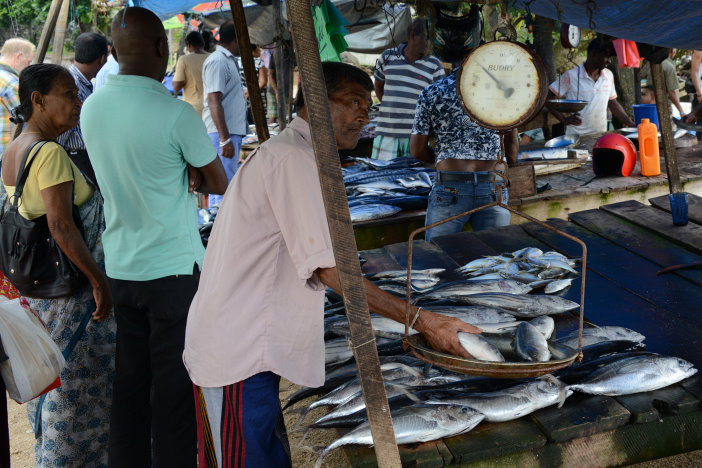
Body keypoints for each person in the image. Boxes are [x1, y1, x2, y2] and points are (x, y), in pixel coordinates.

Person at [183, 61, 479, 467]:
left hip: (250, 343)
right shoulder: (294, 160)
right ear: (317, 102)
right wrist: (423, 320)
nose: (363, 115)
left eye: (368, 106)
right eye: (353, 102)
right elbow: (329, 270)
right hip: (237, 352)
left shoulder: (298, 153)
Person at [80, 7, 227, 468]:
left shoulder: (92, 106)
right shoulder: (175, 113)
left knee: (130, 382)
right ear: (163, 49)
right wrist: (191, 174)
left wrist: (183, 171)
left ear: (113, 53)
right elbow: (218, 180)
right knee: (173, 390)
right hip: (172, 271)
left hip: (121, 263)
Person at [0, 63, 115, 467]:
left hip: (43, 299)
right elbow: (61, 226)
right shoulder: (48, 152)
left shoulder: (15, 147)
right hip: (72, 297)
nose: (77, 101)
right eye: (67, 94)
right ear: (38, 101)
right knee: (75, 398)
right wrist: (99, 281)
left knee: (55, 388)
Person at [410, 55, 519, 241]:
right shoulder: (504, 93)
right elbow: (512, 151)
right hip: (493, 186)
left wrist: (444, 158)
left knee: (437, 258)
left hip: (450, 185)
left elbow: (417, 150)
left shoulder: (432, 91)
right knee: (493, 260)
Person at [373, 18, 445, 160]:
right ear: (413, 35)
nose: (430, 44)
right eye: (427, 39)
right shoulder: (387, 56)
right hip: (386, 134)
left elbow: (440, 102)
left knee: (412, 178)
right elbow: (379, 88)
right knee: (381, 176)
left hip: (416, 138)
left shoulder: (434, 65)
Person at [547, 38, 634, 136]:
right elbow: (549, 97)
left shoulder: (609, 75)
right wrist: (563, 119)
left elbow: (612, 103)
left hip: (600, 135)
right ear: (594, 54)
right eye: (606, 56)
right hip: (576, 137)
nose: (609, 61)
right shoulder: (571, 76)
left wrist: (630, 123)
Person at [201, 20, 248, 207]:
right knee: (222, 188)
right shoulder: (218, 61)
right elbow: (213, 100)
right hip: (221, 134)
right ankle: (217, 230)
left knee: (226, 186)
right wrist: (224, 138)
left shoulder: (227, 60)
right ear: (237, 40)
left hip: (228, 133)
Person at [57, 32, 107, 187]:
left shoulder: (79, 81)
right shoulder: (71, 84)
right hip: (74, 157)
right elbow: (61, 130)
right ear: (102, 59)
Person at [0, 38, 34, 156]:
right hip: (5, 148)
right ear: (18, 56)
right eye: (28, 62)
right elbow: (27, 117)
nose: (28, 65)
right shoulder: (11, 82)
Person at [172, 31, 210, 116]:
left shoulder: (184, 60)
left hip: (194, 110)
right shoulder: (213, 58)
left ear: (189, 45)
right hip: (213, 108)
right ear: (203, 44)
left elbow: (176, 87)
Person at [236, 43, 268, 125]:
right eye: (258, 50)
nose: (260, 52)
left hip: (240, 96)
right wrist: (250, 92)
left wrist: (245, 93)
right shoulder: (258, 62)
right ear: (252, 51)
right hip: (256, 95)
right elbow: (263, 82)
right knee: (259, 122)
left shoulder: (236, 61)